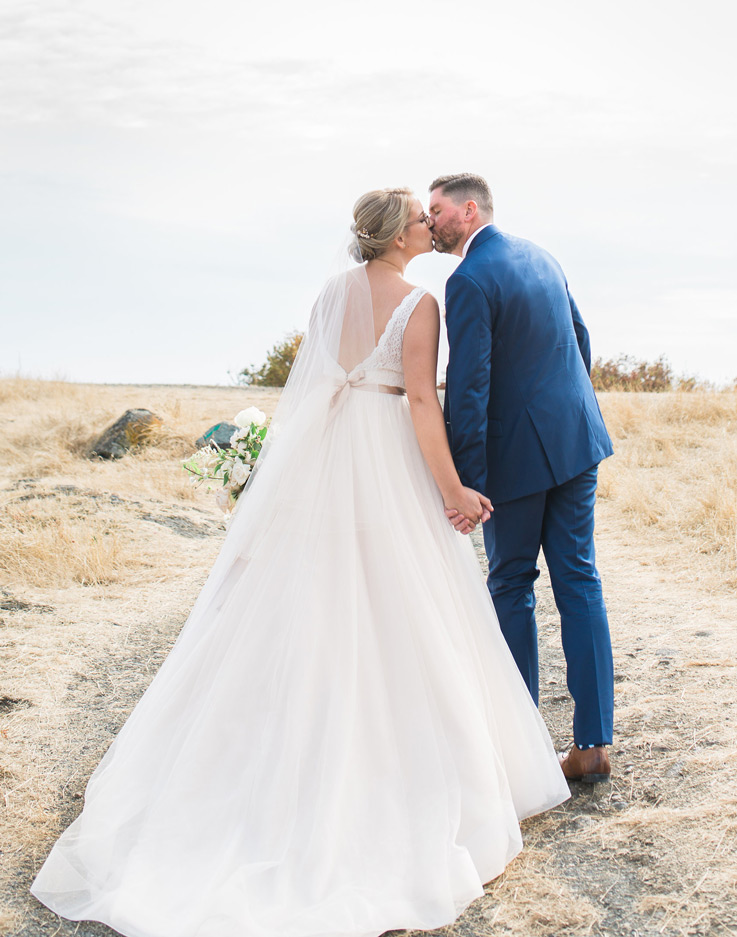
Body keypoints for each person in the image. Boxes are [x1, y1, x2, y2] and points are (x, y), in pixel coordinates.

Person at [31, 188, 569, 937]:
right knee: (400, 603)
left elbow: (314, 386)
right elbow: (419, 401)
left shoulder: (328, 294)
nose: (426, 225)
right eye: (418, 217)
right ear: (394, 236)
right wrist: (454, 489)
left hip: (323, 459)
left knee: (312, 597)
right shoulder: (419, 306)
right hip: (384, 460)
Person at [428, 173, 615, 783]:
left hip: (517, 460)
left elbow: (470, 387)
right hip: (576, 439)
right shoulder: (542, 255)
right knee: (580, 579)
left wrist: (467, 483)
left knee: (510, 584)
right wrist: (563, 412)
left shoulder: (470, 278)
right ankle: (593, 745)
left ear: (469, 209)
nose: (429, 222)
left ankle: (522, 748)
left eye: (436, 211)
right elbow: (580, 340)